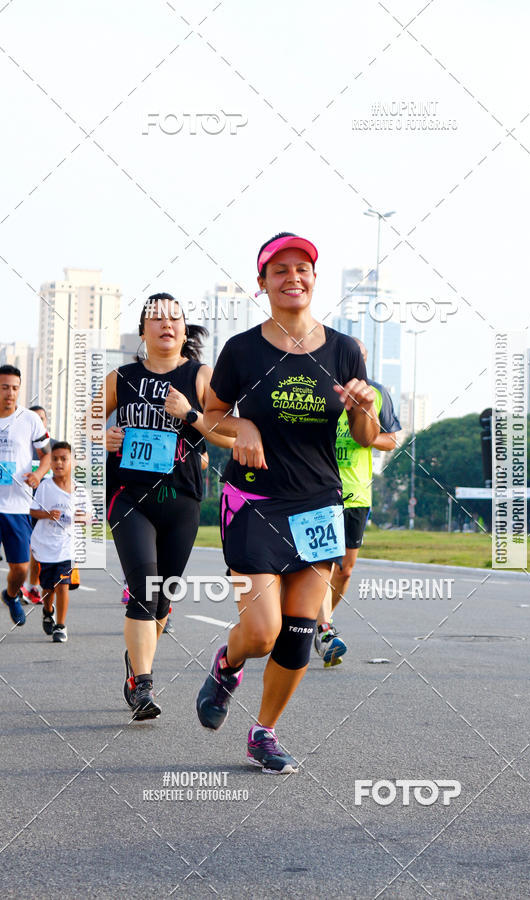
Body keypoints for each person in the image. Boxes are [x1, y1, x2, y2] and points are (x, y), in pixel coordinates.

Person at [196, 232, 378, 774]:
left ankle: (264, 732)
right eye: (280, 270)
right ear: (263, 283)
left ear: (314, 279)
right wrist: (244, 426)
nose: (293, 277)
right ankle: (227, 664)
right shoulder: (242, 349)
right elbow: (211, 416)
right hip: (253, 501)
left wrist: (365, 405)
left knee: (298, 635)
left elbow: (365, 436)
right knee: (260, 633)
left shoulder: (344, 350)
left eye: (302, 268)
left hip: (319, 505)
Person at [101, 293, 233, 720]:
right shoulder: (121, 377)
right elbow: (82, 420)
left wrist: (190, 414)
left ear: (183, 329)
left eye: (175, 317)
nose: (166, 324)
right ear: (143, 330)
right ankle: (142, 685)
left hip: (181, 498)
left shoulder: (200, 375)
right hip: (129, 497)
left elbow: (228, 435)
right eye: (156, 318)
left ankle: (136, 663)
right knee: (144, 587)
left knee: (162, 596)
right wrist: (101, 437)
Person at [314, 338, 401, 665]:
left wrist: (364, 434)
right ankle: (324, 630)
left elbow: (391, 441)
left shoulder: (376, 393)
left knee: (345, 570)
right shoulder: (319, 389)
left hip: (357, 493)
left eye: (360, 358)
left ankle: (318, 620)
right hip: (320, 490)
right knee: (322, 563)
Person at [0, 365, 51, 627]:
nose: (10, 393)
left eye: (15, 388)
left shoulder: (30, 419)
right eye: (4, 387)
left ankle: (11, 595)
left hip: (17, 506)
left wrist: (38, 474)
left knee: (20, 568)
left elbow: (47, 455)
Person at [30, 442, 81, 642]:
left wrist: (82, 517)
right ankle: (47, 610)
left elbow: (89, 515)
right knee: (48, 588)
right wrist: (47, 514)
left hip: (67, 547)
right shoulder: (45, 486)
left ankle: (60, 626)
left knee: (62, 585)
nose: (59, 463)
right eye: (55, 459)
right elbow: (32, 511)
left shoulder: (79, 489)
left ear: (72, 462)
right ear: (50, 463)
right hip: (46, 546)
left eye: (64, 459)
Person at [22, 405, 55, 605]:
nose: (38, 421)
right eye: (34, 418)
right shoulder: (22, 446)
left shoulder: (54, 447)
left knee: (43, 550)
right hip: (25, 505)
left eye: (41, 418)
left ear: (46, 421)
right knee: (30, 549)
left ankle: (37, 587)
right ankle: (29, 586)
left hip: (48, 508)